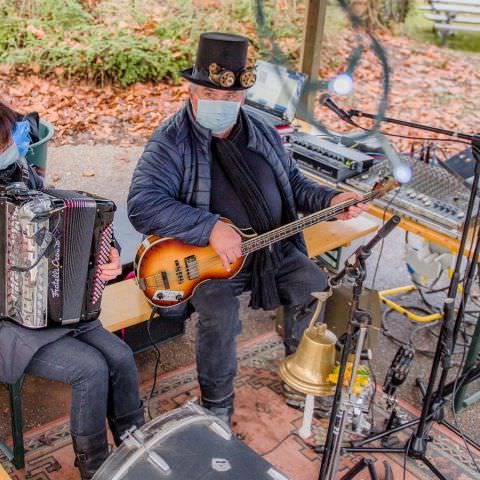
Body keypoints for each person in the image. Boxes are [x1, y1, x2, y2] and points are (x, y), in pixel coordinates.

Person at [128, 32, 368, 426]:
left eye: (234, 98)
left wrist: (329, 200)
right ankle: (217, 405)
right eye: (216, 96)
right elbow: (142, 205)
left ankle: (301, 375)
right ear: (193, 91)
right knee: (220, 315)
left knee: (315, 288)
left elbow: (293, 185)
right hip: (207, 262)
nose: (226, 105)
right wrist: (208, 227)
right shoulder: (170, 142)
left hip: (269, 249)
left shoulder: (260, 131)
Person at [0, 102, 145, 479]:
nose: (12, 149)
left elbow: (62, 218)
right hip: (9, 328)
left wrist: (104, 251)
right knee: (90, 370)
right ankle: (95, 468)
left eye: (10, 141)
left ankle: (136, 447)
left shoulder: (19, 173)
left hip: (54, 306)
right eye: (5, 144)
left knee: (120, 358)